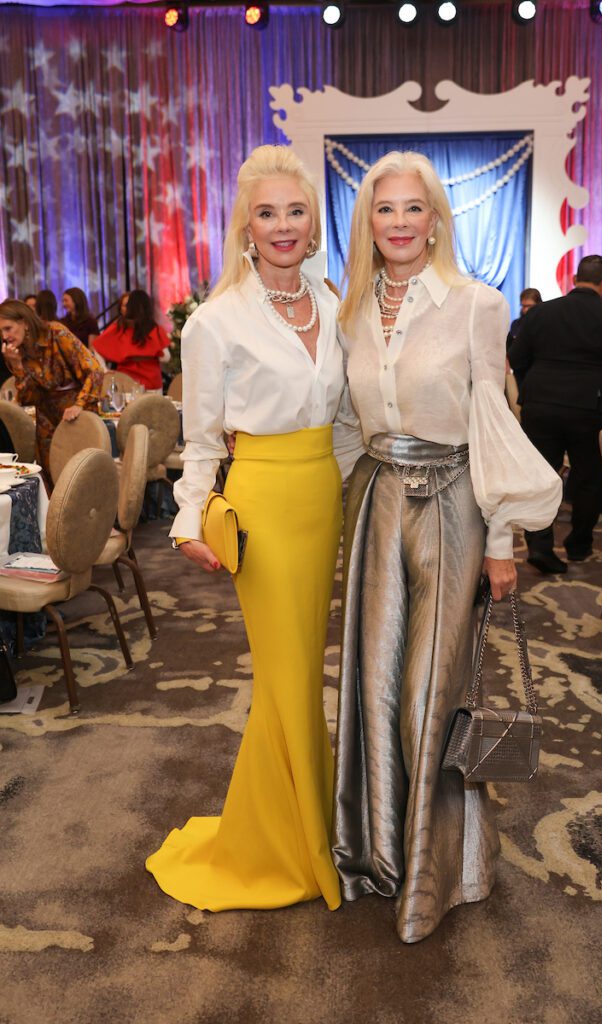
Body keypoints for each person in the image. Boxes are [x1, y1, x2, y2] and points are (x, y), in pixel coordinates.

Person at [332, 151, 562, 944]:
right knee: (375, 683)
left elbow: (493, 423)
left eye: (413, 208)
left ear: (435, 220)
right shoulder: (352, 309)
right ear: (368, 222)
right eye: (384, 208)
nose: (399, 222)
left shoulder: (476, 304)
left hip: (454, 501)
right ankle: (379, 853)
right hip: (375, 499)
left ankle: (437, 873)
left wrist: (501, 541)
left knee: (432, 688)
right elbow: (346, 426)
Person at [146, 145, 362, 913]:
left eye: (295, 211)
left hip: (322, 499)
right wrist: (188, 517)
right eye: (266, 213)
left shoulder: (333, 303)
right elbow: (201, 437)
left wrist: (366, 497)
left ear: (314, 224)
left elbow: (345, 422)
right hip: (263, 505)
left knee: (302, 669)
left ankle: (298, 822)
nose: (282, 225)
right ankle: (288, 845)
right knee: (286, 674)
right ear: (246, 225)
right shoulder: (215, 321)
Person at [509, 254, 602, 572]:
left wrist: (532, 387)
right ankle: (579, 545)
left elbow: (517, 358)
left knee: (539, 475)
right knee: (587, 479)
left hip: (540, 404)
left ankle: (539, 544)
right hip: (590, 407)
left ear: (573, 278)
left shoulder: (540, 313)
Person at [0, 299, 103, 474]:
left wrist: (79, 404)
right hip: (46, 423)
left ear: (25, 323)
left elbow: (94, 370)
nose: (4, 336)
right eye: (1, 331)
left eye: (8, 328)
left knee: (82, 476)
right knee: (51, 478)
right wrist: (17, 366)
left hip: (77, 415)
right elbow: (27, 399)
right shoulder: (16, 353)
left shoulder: (56, 333)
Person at [93, 289, 170, 391]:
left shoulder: (119, 328)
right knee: (152, 402)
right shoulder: (155, 329)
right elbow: (166, 357)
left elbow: (97, 347)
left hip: (126, 381)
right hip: (152, 382)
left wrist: (105, 370)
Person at [506, 286, 542, 355]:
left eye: (529, 306)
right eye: (523, 306)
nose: (525, 310)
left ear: (539, 304)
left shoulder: (546, 324)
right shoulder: (516, 324)